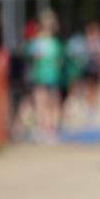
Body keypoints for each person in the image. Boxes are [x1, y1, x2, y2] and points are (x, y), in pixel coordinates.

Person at [23, 9, 64, 143]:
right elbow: (31, 58)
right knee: (42, 103)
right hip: (41, 77)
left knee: (52, 104)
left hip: (52, 77)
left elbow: (59, 61)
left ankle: (51, 130)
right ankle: (43, 130)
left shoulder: (54, 43)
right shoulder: (37, 42)